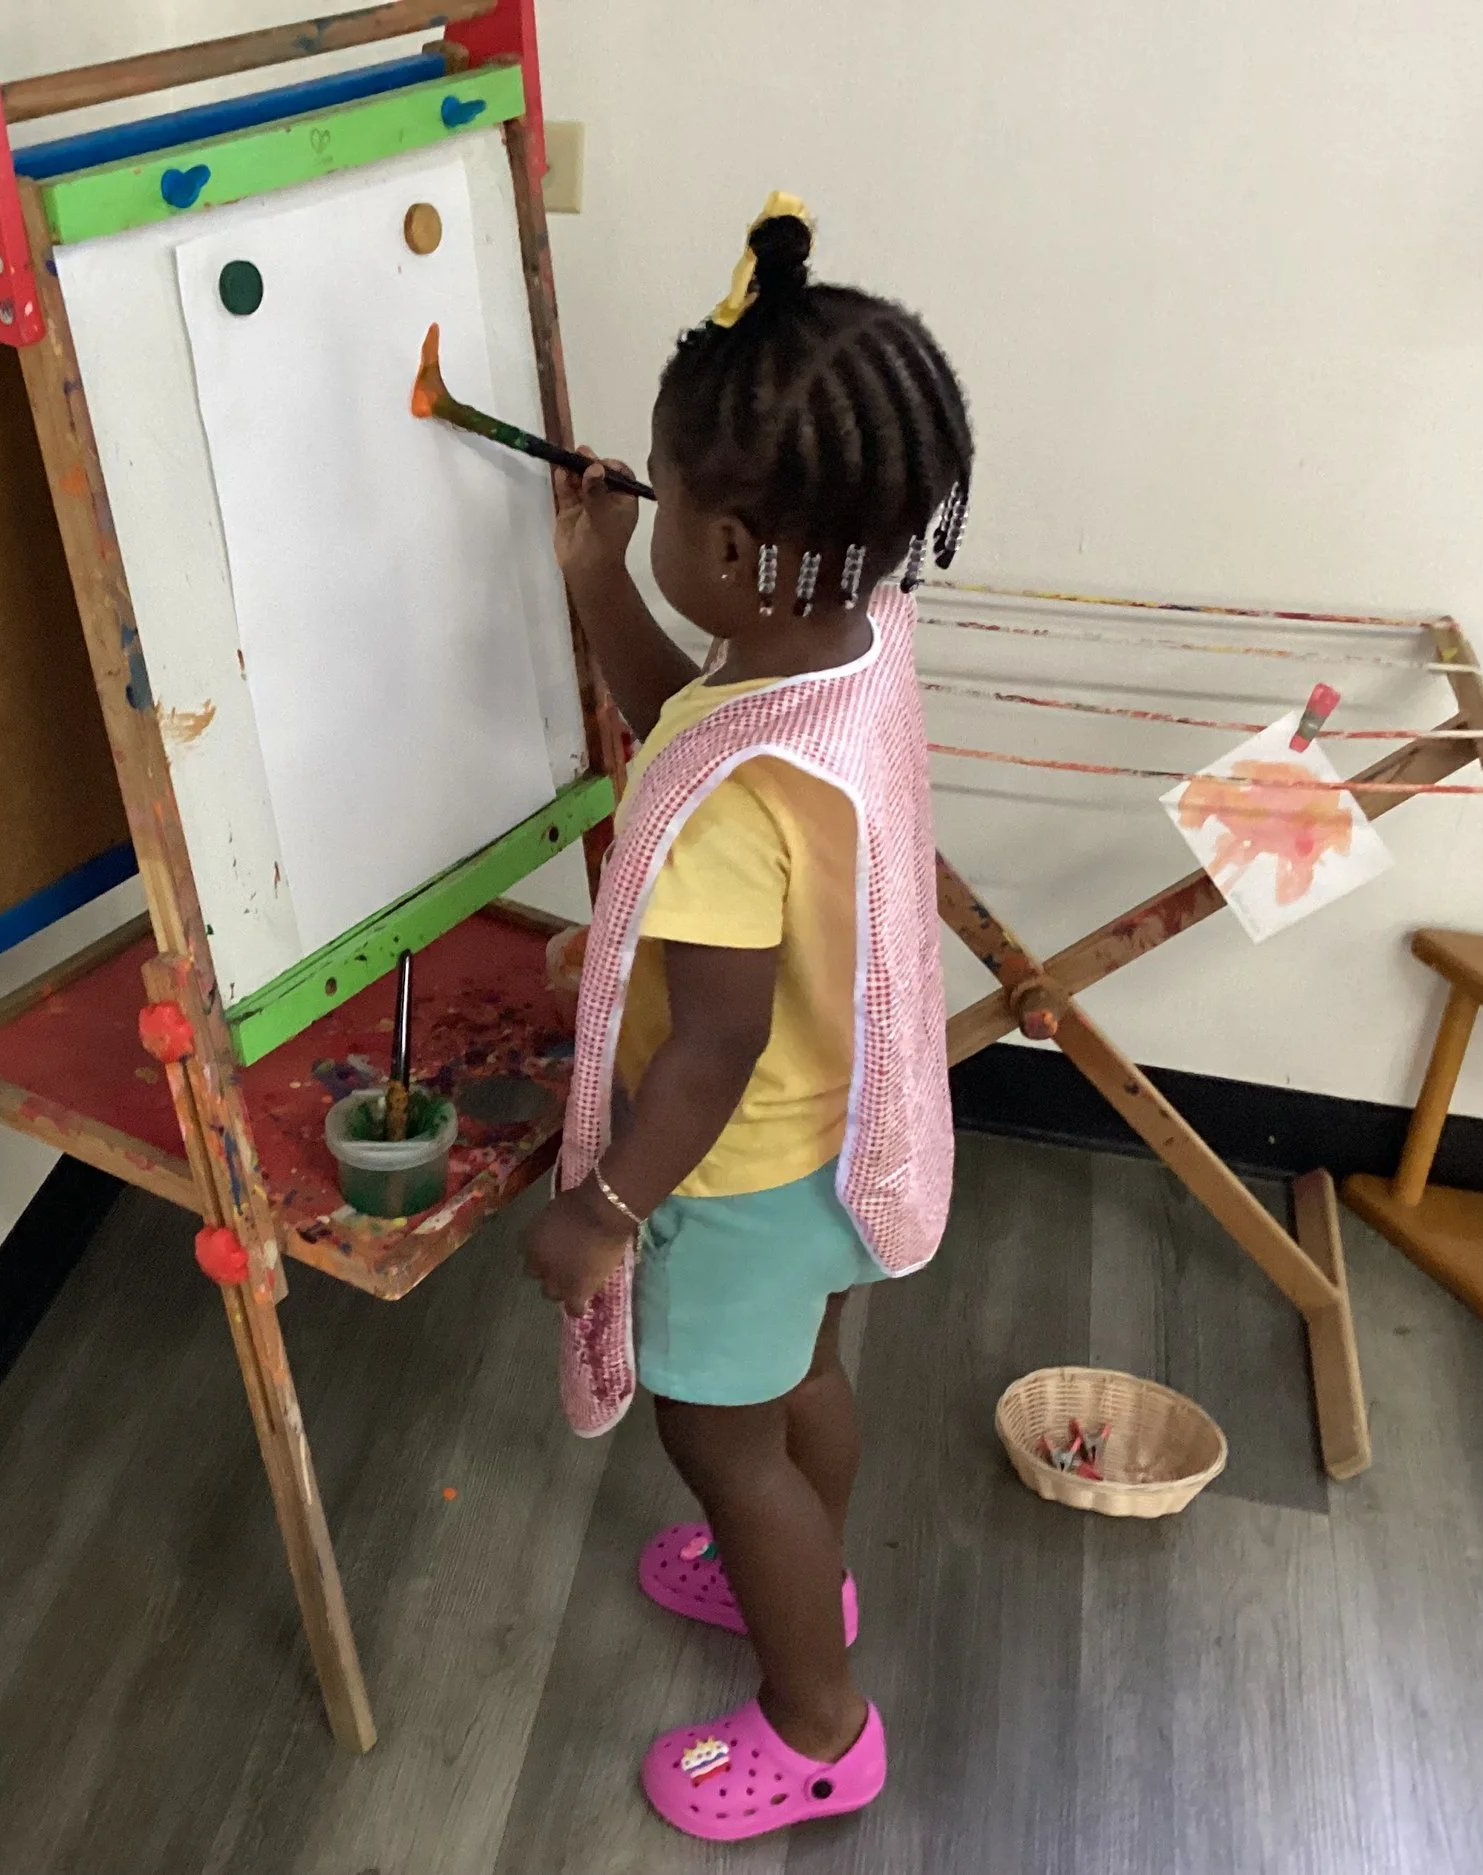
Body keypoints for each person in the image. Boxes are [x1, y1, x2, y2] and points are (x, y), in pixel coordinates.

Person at [520, 194, 972, 1843]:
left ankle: (818, 1723)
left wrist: (605, 1210)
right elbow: (692, 727)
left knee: (725, 1443)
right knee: (799, 1388)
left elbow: (705, 1046)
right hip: (840, 1149)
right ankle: (802, 1574)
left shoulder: (724, 797)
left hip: (727, 1173)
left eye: (659, 487)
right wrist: (595, 581)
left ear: (720, 548)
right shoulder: (850, 649)